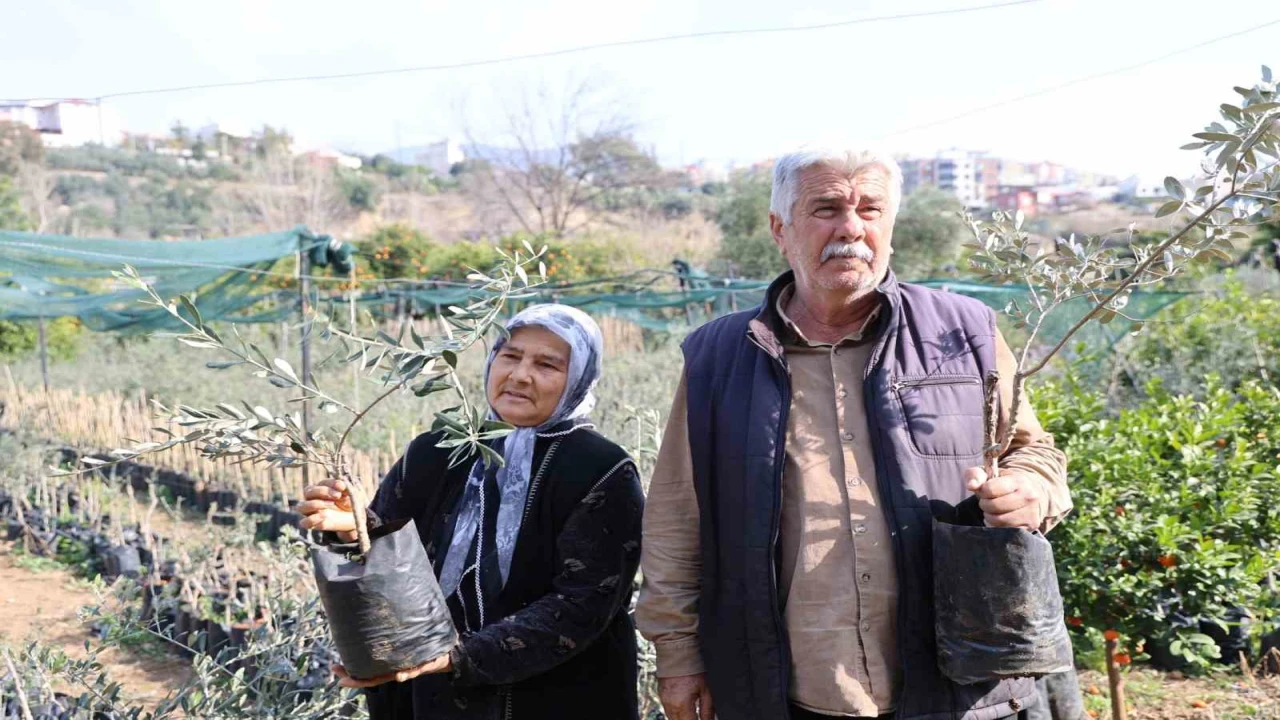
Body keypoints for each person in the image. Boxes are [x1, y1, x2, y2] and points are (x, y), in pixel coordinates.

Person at [636, 149, 1073, 720]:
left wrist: (1029, 491)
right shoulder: (718, 357)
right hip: (788, 688)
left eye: (870, 209)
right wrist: (677, 654)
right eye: (826, 209)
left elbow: (1033, 451)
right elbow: (677, 515)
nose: (851, 228)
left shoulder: (963, 333)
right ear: (780, 229)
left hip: (954, 681)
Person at [300, 304, 644, 720]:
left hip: (556, 697)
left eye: (547, 364)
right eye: (510, 356)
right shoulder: (436, 450)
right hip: (429, 695)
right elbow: (391, 558)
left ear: (579, 378)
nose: (520, 375)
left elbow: (583, 604)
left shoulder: (601, 469)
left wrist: (457, 656)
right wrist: (353, 528)